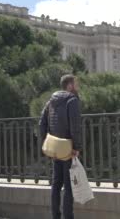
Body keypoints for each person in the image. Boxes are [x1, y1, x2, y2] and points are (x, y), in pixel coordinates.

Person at [39, 74, 82, 219]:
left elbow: (41, 124)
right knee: (69, 185)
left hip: (55, 146)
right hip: (68, 146)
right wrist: (76, 146)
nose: (77, 86)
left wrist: (45, 142)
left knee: (56, 184)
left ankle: (55, 216)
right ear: (69, 85)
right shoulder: (72, 100)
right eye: (76, 84)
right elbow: (75, 126)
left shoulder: (51, 101)